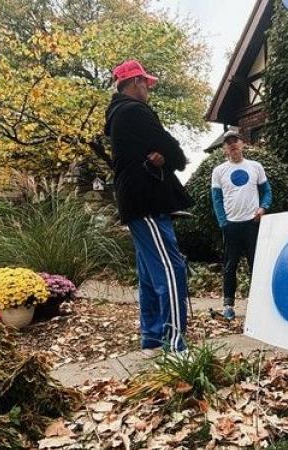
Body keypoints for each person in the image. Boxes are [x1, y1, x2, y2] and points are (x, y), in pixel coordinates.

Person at [103, 59, 192, 356]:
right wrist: (169, 157)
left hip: (134, 201)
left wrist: (163, 156)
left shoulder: (117, 115)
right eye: (146, 83)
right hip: (147, 201)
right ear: (134, 83)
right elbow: (175, 151)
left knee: (149, 272)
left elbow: (163, 150)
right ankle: (176, 344)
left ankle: (152, 340)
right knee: (171, 267)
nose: (148, 89)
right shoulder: (134, 111)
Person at [211, 130, 272, 319]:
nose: (232, 145)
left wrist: (263, 208)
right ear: (224, 149)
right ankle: (228, 306)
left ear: (242, 143)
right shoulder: (219, 171)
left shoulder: (255, 167)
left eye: (235, 141)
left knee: (257, 264)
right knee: (230, 267)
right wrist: (223, 222)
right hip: (231, 226)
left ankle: (260, 305)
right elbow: (216, 199)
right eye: (228, 142)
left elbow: (267, 191)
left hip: (252, 224)